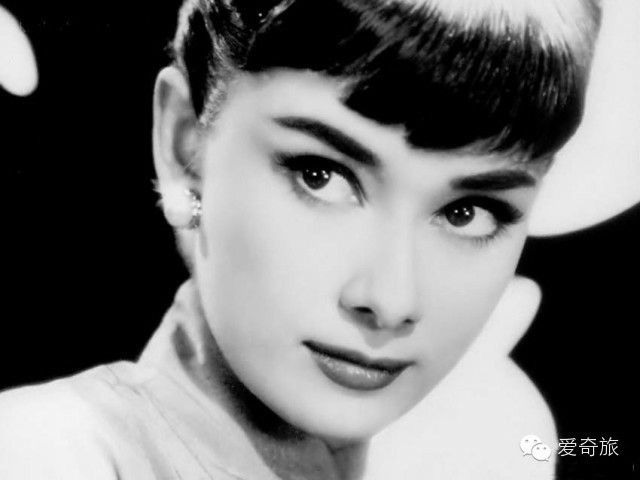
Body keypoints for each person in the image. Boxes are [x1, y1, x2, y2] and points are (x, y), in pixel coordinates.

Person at [0, 0, 602, 478]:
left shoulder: (490, 455)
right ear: (186, 147)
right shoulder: (48, 454)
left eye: (469, 213)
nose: (390, 300)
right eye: (321, 176)